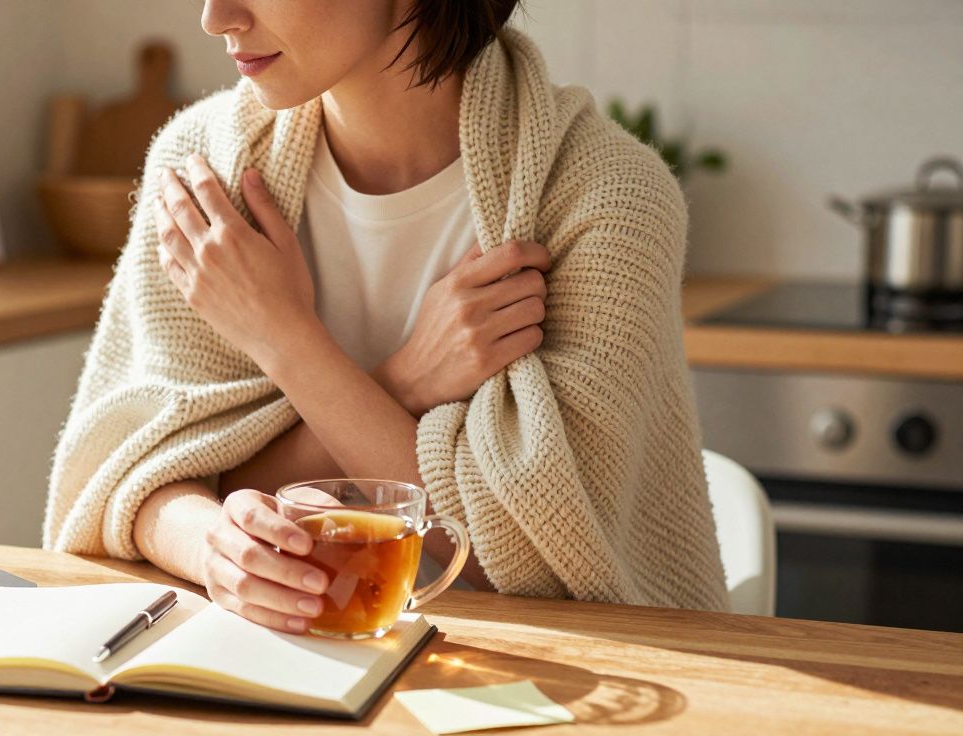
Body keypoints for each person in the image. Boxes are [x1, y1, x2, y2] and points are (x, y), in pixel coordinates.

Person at [45, 0, 729, 633]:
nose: (215, 16)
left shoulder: (606, 196)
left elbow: (528, 562)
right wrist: (214, 549)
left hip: (533, 679)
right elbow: (125, 480)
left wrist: (287, 340)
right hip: (284, 664)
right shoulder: (206, 168)